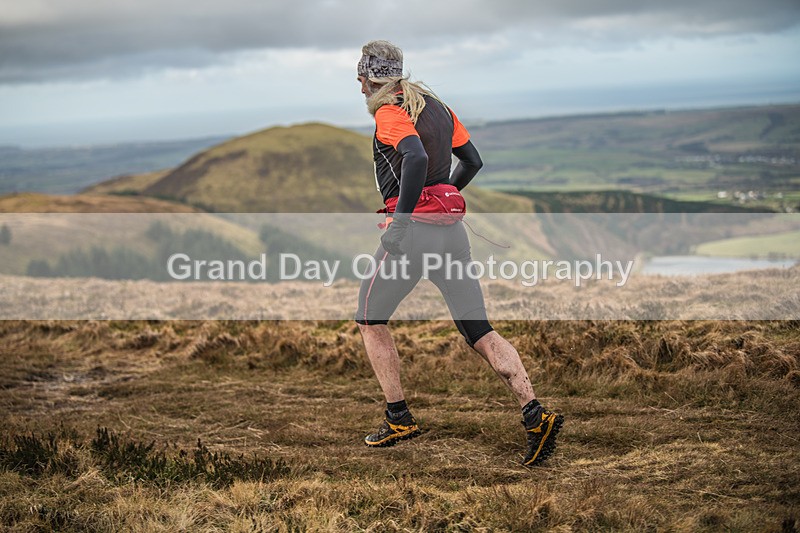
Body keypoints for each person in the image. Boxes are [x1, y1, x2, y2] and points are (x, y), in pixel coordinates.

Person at [354, 40, 563, 466]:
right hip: (451, 234)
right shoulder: (439, 108)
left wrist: (403, 221)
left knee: (369, 319)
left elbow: (413, 157)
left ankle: (399, 417)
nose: (359, 87)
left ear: (372, 80)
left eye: (360, 78)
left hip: (411, 237)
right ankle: (535, 414)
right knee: (480, 330)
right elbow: (472, 161)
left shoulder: (390, 112)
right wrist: (442, 197)